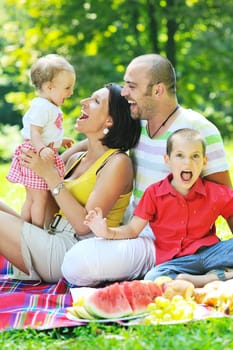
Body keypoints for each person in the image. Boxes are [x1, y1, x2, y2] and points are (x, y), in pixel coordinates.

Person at [62, 53, 232, 236]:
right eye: (125, 84)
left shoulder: (199, 129)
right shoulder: (138, 125)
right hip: (135, 232)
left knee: (81, 258)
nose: (125, 92)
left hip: (177, 242)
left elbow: (227, 198)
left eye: (132, 86)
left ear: (158, 90)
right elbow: (101, 142)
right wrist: (61, 156)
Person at [0, 83, 141, 283]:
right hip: (49, 233)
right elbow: (45, 182)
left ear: (109, 120)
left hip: (70, 250)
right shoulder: (78, 157)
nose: (83, 102)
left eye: (95, 101)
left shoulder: (118, 163)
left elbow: (85, 227)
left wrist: (50, 176)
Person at [82, 128, 233, 288]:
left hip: (212, 253)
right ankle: (218, 276)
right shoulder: (154, 194)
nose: (187, 162)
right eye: (180, 155)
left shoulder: (215, 193)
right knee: (153, 278)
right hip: (177, 262)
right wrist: (106, 232)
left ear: (204, 161)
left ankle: (212, 276)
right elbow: (132, 230)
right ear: (167, 160)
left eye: (195, 156)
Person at [7, 54, 75, 228]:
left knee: (32, 197)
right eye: (67, 88)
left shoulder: (48, 106)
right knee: (40, 198)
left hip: (37, 150)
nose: (71, 92)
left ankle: (23, 228)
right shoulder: (43, 107)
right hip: (36, 153)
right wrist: (42, 149)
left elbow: (46, 132)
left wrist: (60, 140)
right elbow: (34, 132)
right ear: (49, 87)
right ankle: (36, 231)